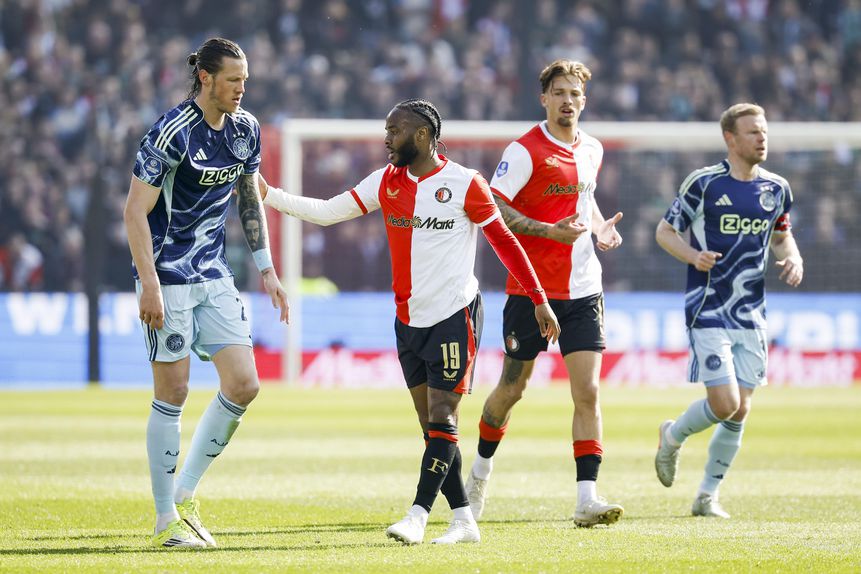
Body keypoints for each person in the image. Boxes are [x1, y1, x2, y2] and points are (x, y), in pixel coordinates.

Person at [259, 98, 560, 545]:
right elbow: (326, 212)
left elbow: (505, 243)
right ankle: (463, 520)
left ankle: (417, 516)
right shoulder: (387, 181)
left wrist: (539, 299)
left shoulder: (466, 184)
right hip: (407, 319)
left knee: (443, 415)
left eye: (394, 131)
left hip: (454, 316)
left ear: (422, 135)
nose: (386, 139)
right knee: (434, 429)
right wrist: (269, 195)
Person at [123, 37, 289, 549]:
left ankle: (186, 494)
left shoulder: (245, 130)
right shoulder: (172, 132)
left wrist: (266, 269)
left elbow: (247, 199)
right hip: (167, 278)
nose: (242, 88)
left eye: (246, 80)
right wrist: (148, 283)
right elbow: (134, 211)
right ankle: (163, 519)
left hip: (213, 273)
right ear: (205, 78)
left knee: (244, 384)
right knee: (172, 393)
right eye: (233, 80)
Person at [464, 59, 625, 528]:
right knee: (512, 389)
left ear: (584, 100)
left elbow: (584, 198)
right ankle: (478, 474)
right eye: (559, 92)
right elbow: (493, 204)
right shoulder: (525, 150)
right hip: (530, 290)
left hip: (583, 290)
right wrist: (546, 232)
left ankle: (586, 499)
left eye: (575, 93)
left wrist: (599, 230)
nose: (567, 101)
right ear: (544, 98)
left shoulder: (592, 148)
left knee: (588, 392)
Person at [653, 103, 803, 518]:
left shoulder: (776, 189)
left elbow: (782, 237)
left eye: (764, 131)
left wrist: (794, 258)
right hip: (708, 305)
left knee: (741, 409)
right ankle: (672, 436)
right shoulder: (703, 184)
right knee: (723, 403)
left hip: (751, 312)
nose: (762, 138)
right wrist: (692, 255)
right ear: (731, 139)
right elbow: (664, 231)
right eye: (753, 132)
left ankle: (706, 496)